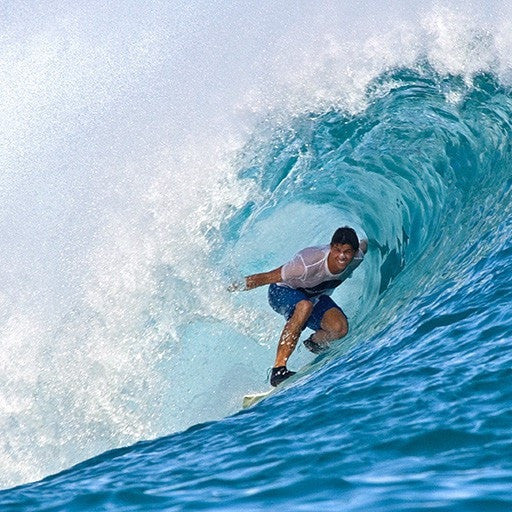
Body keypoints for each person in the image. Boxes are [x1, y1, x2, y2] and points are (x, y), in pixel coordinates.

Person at [229, 226, 367, 386]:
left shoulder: (357, 258)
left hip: (313, 297)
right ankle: (278, 370)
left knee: (340, 329)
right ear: (331, 247)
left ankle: (314, 343)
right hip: (281, 291)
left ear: (354, 252)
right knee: (304, 306)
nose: (342, 256)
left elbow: (365, 244)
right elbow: (266, 277)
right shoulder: (306, 264)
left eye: (347, 251)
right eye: (337, 250)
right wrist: (229, 288)